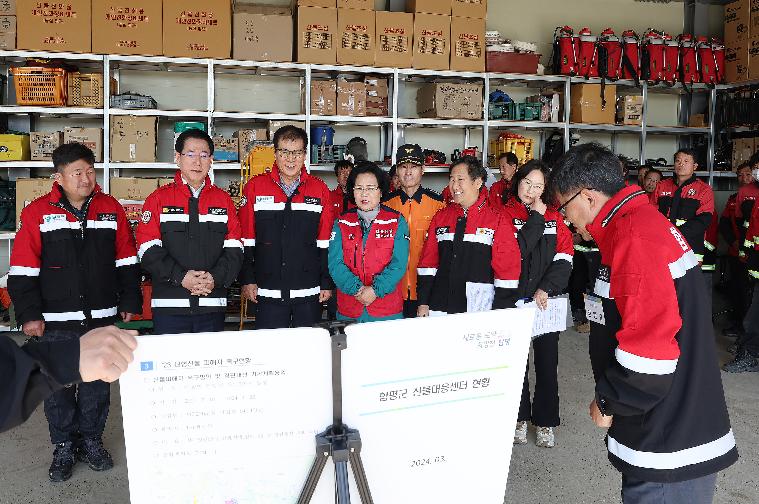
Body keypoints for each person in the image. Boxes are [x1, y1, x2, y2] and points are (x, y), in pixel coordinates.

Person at [550, 143, 737, 504]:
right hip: (669, 421)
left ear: (587, 197)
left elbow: (650, 354)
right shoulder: (636, 224)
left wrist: (609, 400)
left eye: (564, 207)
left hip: (669, 441)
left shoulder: (634, 238)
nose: (565, 219)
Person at [8, 142, 142, 482]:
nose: (85, 179)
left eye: (89, 171)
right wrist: (29, 314)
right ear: (60, 177)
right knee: (58, 384)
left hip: (100, 316)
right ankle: (64, 445)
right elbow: (22, 269)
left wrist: (129, 302)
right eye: (76, 173)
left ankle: (92, 441)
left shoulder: (110, 208)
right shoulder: (38, 212)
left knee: (99, 382)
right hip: (56, 319)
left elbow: (126, 260)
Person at [136, 129, 243, 334]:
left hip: (212, 305)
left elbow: (235, 248)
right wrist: (180, 277)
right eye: (190, 154)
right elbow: (146, 248)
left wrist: (215, 278)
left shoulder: (224, 201)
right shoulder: (158, 199)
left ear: (211, 160)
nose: (197, 162)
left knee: (211, 365)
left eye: (204, 155)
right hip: (170, 308)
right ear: (178, 158)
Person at [500, 161, 574, 448]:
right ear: (518, 181)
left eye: (538, 186)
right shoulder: (505, 214)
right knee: (517, 363)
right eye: (527, 183)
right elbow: (514, 253)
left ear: (547, 189)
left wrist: (546, 288)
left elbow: (565, 257)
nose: (531, 190)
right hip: (515, 301)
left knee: (546, 364)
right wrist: (536, 218)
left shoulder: (556, 218)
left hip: (545, 303)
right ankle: (519, 417)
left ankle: (544, 421)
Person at [238, 126, 333, 329]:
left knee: (308, 351)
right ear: (275, 153)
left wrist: (326, 282)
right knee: (270, 354)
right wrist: (247, 279)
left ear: (305, 155)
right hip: (267, 291)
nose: (291, 159)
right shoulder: (254, 187)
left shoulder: (320, 190)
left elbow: (325, 242)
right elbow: (246, 238)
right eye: (285, 152)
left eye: (297, 152)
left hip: (309, 292)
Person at [416, 156, 521, 317]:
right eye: (451, 179)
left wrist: (501, 311)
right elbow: (428, 263)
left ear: (478, 182)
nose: (454, 185)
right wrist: (423, 302)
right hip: (440, 306)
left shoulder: (496, 220)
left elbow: (507, 270)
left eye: (460, 179)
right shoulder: (441, 217)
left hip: (479, 311)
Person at [0, 327, 138, 434]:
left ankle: (92, 438)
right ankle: (63, 442)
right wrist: (29, 313)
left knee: (96, 394)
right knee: (59, 400)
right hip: (54, 322)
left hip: (97, 316)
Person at [328, 161, 409, 322]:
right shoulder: (341, 223)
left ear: (380, 191)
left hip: (386, 311)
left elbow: (399, 264)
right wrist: (357, 289)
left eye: (371, 188)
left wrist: (375, 290)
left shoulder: (396, 221)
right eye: (359, 188)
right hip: (349, 310)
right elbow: (335, 264)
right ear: (352, 191)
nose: (364, 194)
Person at [383, 144, 445, 318]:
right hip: (392, 291)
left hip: (428, 293)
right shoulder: (385, 205)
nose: (408, 172)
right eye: (403, 166)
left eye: (414, 167)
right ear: (396, 170)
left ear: (423, 170)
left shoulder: (438, 205)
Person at [651, 149, 714, 296]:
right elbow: (651, 213)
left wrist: (675, 235)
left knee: (687, 292)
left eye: (686, 161)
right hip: (662, 246)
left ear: (695, 166)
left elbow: (704, 220)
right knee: (664, 290)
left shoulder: (704, 190)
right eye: (678, 161)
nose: (681, 164)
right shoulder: (662, 186)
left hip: (690, 249)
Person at [720, 163, 752, 339]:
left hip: (754, 254)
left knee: (751, 294)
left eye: (748, 174)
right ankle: (737, 325)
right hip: (736, 252)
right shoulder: (733, 198)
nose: (744, 178)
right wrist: (733, 242)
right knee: (737, 290)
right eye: (740, 175)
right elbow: (724, 223)